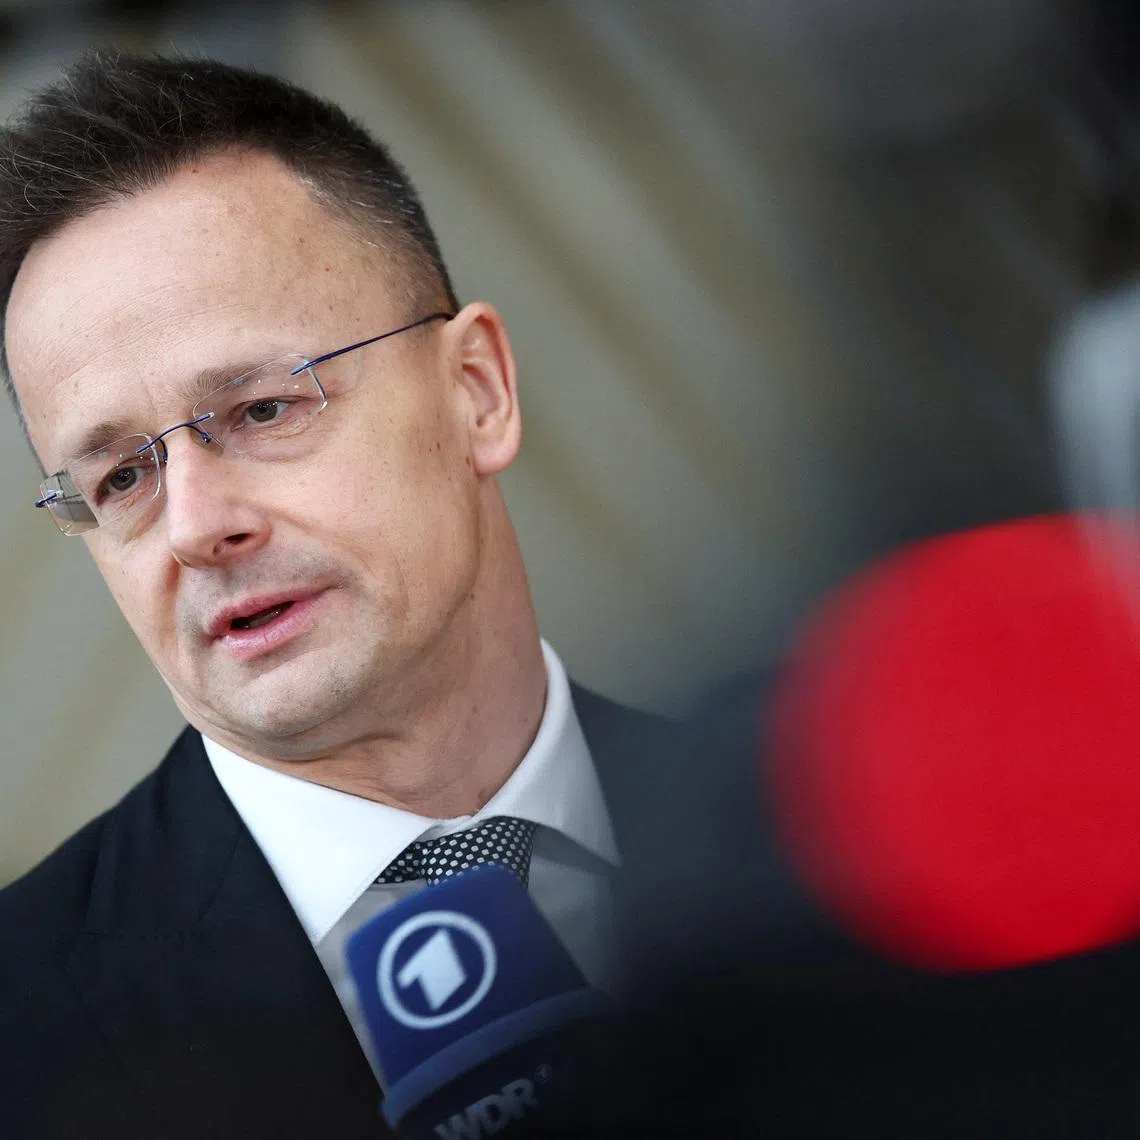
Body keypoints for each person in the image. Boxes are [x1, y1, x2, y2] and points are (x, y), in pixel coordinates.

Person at [0, 51, 669, 1139]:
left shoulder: (821, 851)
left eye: (262, 409)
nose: (196, 523)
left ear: (477, 393)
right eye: (121, 476)